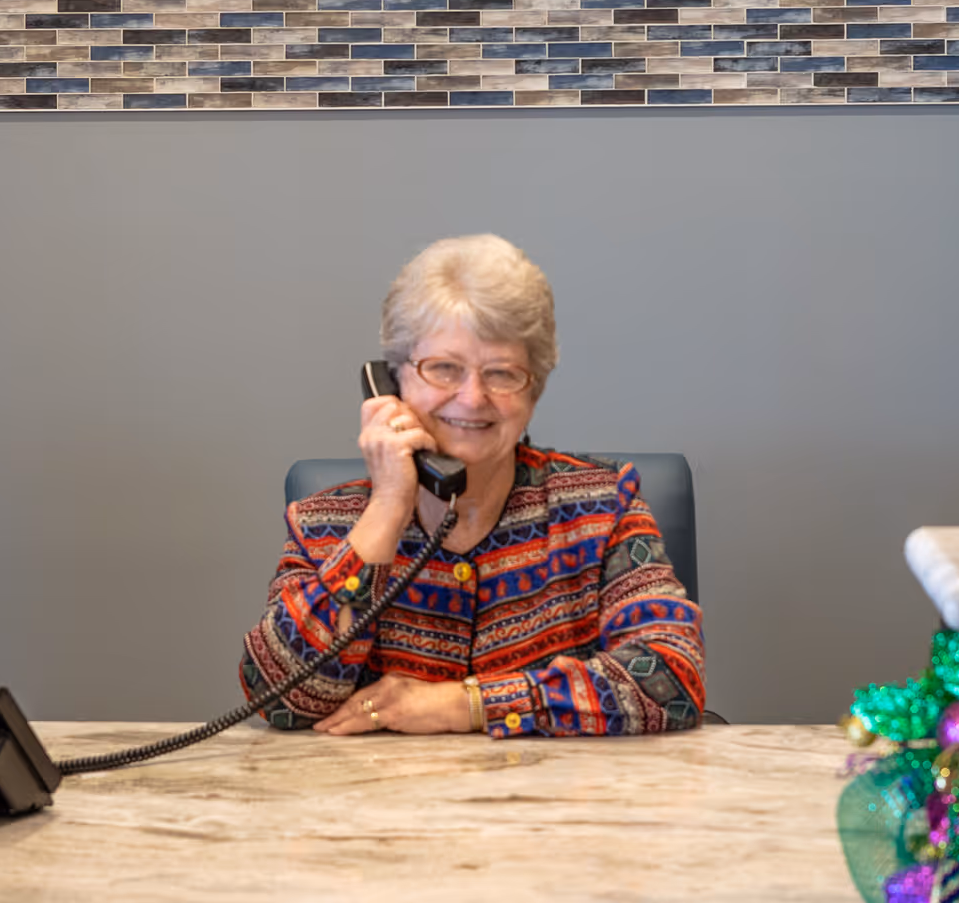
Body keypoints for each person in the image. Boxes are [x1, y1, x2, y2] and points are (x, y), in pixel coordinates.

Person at [239, 234, 705, 738]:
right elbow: (283, 701)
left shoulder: (602, 506)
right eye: (443, 368)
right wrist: (388, 506)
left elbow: (671, 678)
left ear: (534, 391)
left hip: (552, 809)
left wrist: (465, 705)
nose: (472, 397)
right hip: (377, 810)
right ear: (392, 383)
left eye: (502, 374)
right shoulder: (326, 525)